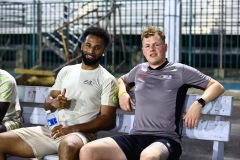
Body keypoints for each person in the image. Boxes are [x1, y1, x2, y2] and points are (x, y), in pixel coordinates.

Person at [80, 25, 225, 160]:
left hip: (165, 140)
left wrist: (198, 103)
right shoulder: (139, 70)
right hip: (135, 137)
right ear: (143, 50)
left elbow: (216, 85)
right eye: (147, 46)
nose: (152, 49)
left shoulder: (180, 71)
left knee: (149, 156)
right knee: (88, 151)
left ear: (165, 47)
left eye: (156, 45)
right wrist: (122, 93)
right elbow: (122, 81)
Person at [0, 26, 118, 160]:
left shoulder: (107, 79)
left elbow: (108, 120)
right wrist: (54, 102)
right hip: (53, 130)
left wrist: (71, 129)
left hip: (81, 134)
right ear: (81, 46)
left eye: (97, 47)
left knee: (67, 145)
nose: (91, 50)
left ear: (103, 51)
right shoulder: (66, 71)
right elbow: (47, 103)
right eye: (88, 45)